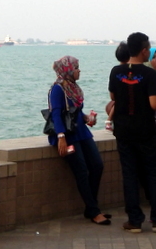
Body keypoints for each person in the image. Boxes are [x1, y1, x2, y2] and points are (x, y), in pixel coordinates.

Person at [108, 32, 156, 233]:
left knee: (129, 174)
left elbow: (113, 96)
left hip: (123, 131)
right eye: (148, 49)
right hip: (146, 131)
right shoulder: (150, 74)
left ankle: (134, 220)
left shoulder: (116, 71)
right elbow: (154, 103)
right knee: (154, 174)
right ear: (143, 50)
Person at [46, 57, 109, 226]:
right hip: (68, 135)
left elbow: (75, 112)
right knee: (81, 170)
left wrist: (87, 118)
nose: (79, 71)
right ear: (67, 70)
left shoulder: (73, 88)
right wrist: (61, 137)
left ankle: (91, 207)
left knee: (97, 165)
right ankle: (94, 211)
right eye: (76, 68)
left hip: (81, 132)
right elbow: (56, 114)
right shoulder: (57, 89)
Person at [105, 42, 131, 130]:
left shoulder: (115, 71)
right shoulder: (134, 70)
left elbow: (112, 96)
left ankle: (108, 121)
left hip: (120, 114)